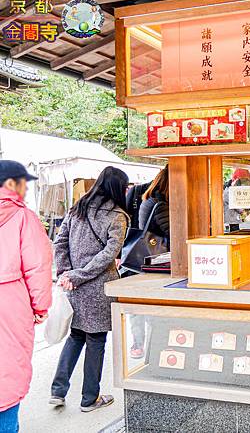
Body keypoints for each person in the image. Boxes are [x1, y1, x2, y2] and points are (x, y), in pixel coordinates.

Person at [49, 166, 129, 412]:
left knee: (75, 337)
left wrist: (66, 273)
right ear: (118, 189)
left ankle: (57, 392)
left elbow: (60, 242)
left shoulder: (78, 209)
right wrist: (79, 275)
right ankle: (89, 398)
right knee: (96, 340)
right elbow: (109, 254)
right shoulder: (117, 215)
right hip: (97, 288)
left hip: (74, 286)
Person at [0, 161, 53, 433]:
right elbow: (38, 265)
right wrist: (40, 307)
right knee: (6, 371)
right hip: (9, 304)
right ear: (11, 184)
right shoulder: (23, 217)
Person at [129, 166, 170, 359]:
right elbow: (173, 235)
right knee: (152, 310)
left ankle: (139, 344)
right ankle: (152, 353)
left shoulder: (149, 199)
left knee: (140, 307)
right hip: (155, 261)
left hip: (147, 261)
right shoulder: (161, 205)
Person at [139, 166, 170, 242]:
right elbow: (171, 232)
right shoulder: (160, 204)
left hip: (148, 245)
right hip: (156, 248)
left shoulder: (150, 198)